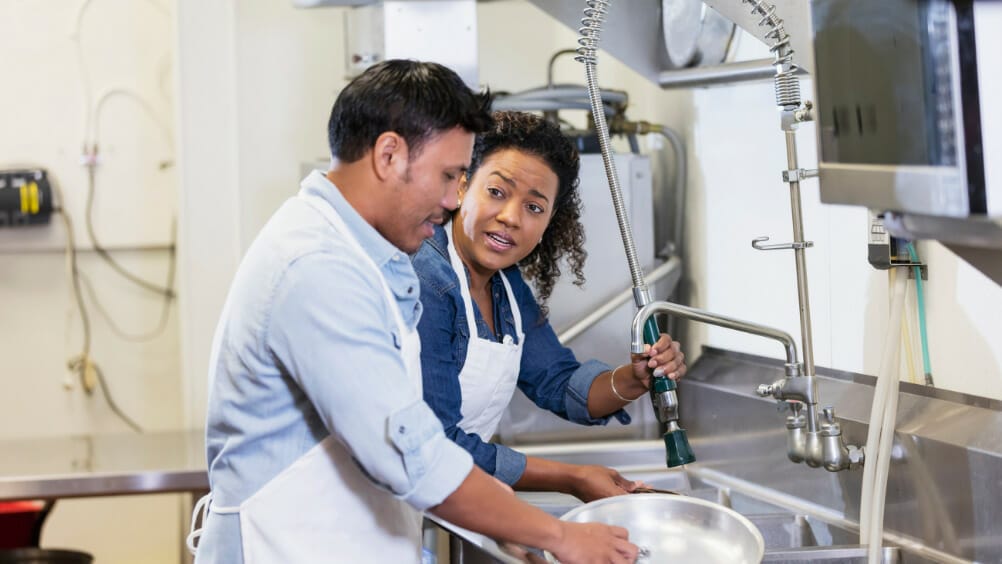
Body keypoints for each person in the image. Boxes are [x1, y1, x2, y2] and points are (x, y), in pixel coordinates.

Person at [190, 62, 637, 563]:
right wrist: (558, 534)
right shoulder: (318, 269)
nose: (452, 200)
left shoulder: (362, 255)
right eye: (449, 176)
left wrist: (506, 518)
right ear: (389, 155)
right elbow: (413, 456)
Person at [412, 111, 687, 502]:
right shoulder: (427, 281)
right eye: (496, 192)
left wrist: (634, 378)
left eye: (534, 207)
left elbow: (558, 383)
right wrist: (571, 479)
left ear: (548, 224)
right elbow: (440, 447)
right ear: (461, 187)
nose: (510, 217)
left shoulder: (506, 287)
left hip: (432, 497)